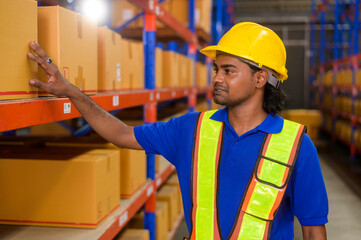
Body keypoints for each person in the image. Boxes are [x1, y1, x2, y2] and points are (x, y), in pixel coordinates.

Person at [28, 22, 328, 240]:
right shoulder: (191, 129)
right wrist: (70, 91)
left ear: (260, 78)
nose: (217, 79)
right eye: (216, 70)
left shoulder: (295, 145)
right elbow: (120, 134)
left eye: (229, 71)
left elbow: (313, 230)